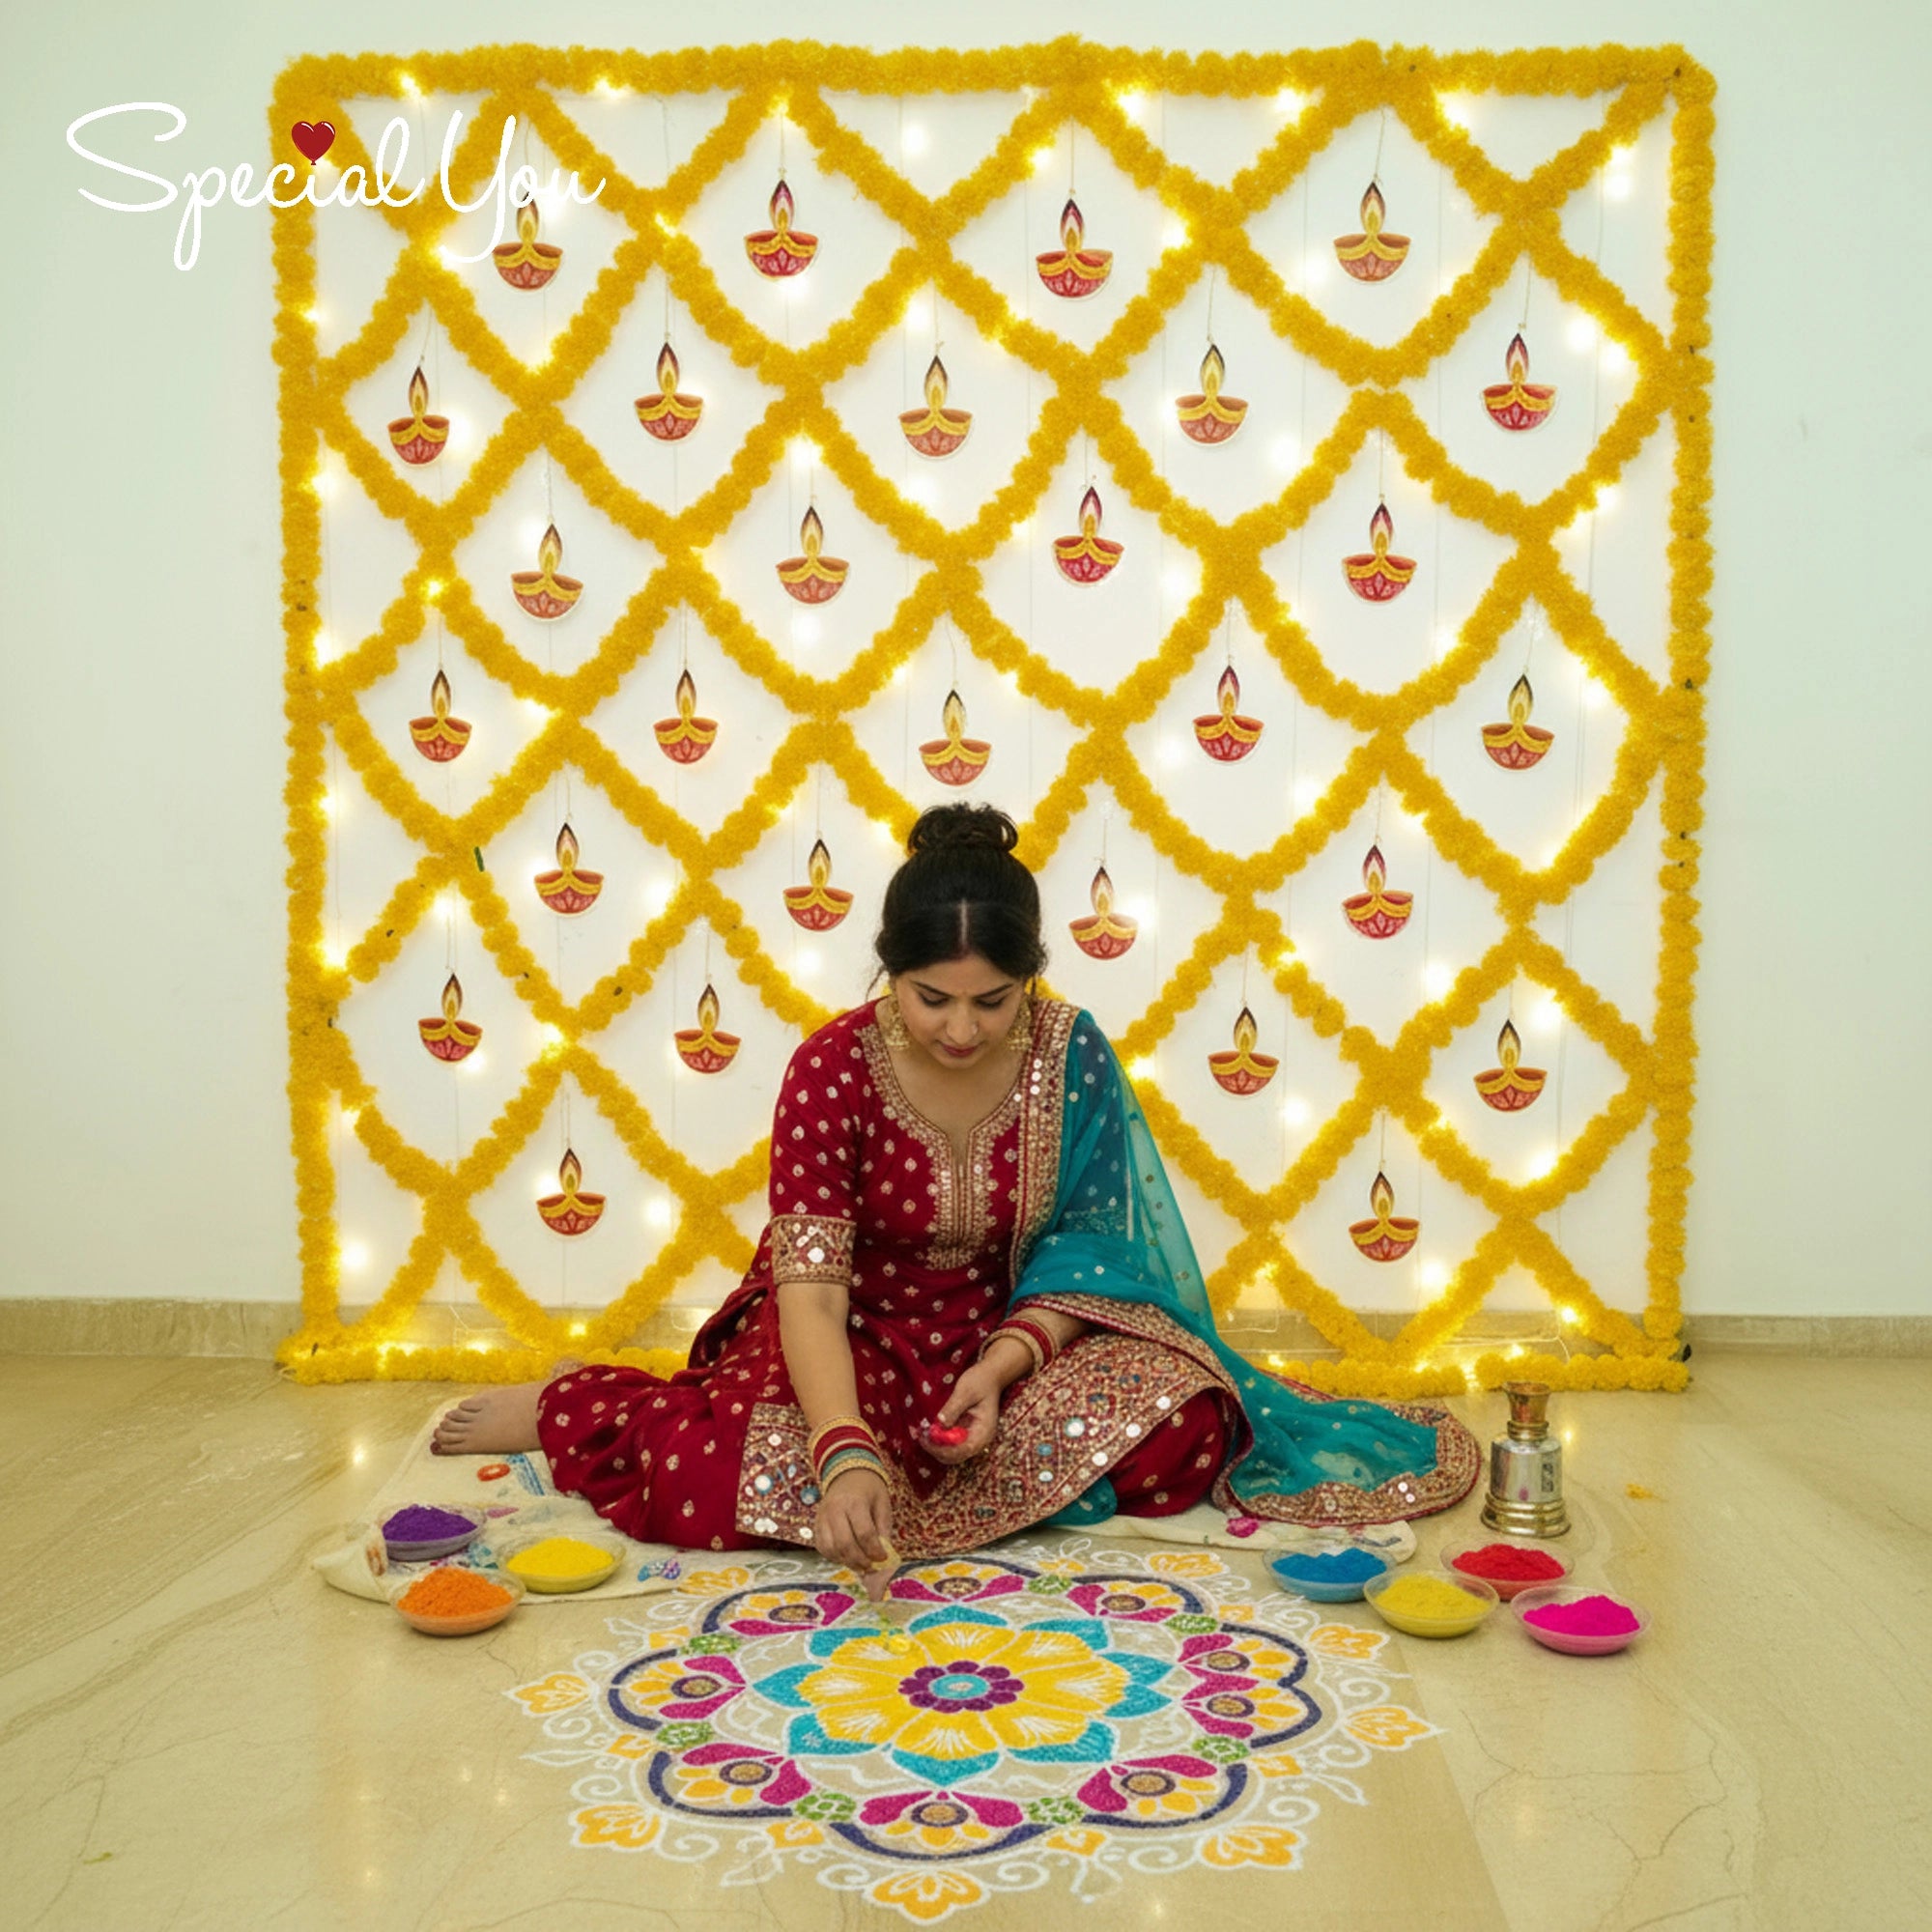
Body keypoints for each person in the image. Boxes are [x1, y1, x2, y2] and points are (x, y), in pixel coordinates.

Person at [433, 803, 1478, 1596]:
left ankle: (968, 1447)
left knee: (1192, 1424)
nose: (964, 1029)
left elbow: (1092, 1251)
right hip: (851, 1329)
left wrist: (1002, 1362)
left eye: (994, 1000)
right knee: (726, 1475)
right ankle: (576, 1404)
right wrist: (842, 1446)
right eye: (932, 998)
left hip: (1008, 1329)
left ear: (1032, 979)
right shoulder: (830, 1068)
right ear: (889, 971)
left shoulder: (1069, 1052)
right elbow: (810, 1293)